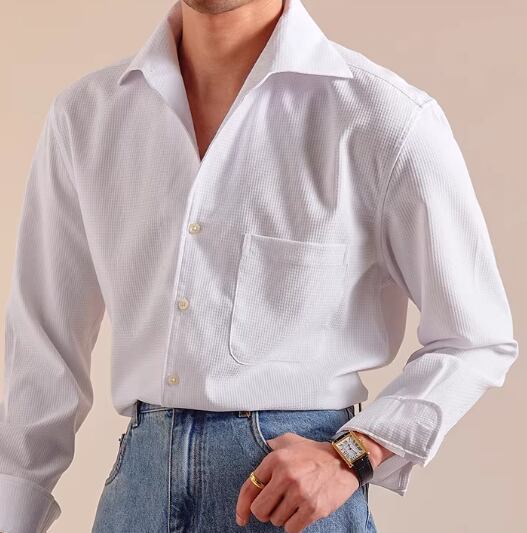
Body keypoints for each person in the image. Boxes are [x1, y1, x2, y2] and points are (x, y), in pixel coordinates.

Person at [0, 0, 519, 531]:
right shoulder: (87, 116)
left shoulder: (383, 117)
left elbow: (476, 338)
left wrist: (353, 455)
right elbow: (43, 354)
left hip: (291, 501)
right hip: (137, 493)